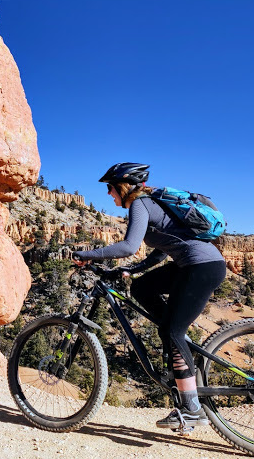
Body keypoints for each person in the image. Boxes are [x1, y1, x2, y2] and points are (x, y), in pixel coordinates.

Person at [72, 162, 227, 430]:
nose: (109, 194)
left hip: (200, 267)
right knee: (141, 288)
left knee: (171, 332)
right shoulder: (154, 204)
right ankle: (177, 340)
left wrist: (85, 255)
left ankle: (192, 410)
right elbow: (161, 250)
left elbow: (129, 246)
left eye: (110, 188)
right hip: (194, 265)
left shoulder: (140, 204)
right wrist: (134, 270)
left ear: (123, 186)